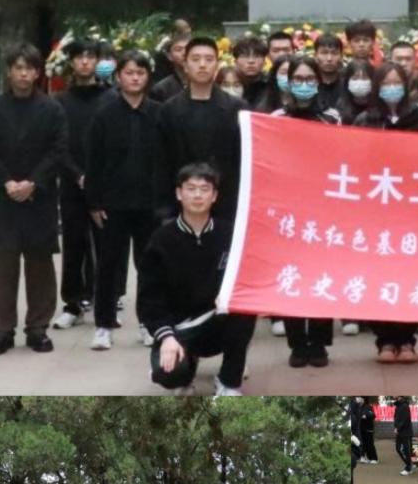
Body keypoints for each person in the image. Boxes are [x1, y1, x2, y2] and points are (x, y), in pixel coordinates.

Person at [0, 43, 68, 356]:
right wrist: (6, 182)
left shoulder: (52, 110)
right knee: (2, 264)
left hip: (39, 198)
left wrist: (34, 183)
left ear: (38, 73)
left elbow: (58, 150)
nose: (24, 74)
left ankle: (38, 328)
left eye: (29, 68)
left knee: (40, 263)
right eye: (18, 68)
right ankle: (2, 329)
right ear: (9, 72)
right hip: (2, 199)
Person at [139, 162, 255, 396]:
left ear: (214, 196)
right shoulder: (162, 240)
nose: (198, 195)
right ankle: (185, 363)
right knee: (169, 375)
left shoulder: (230, 234)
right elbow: (149, 299)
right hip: (180, 327)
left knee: (245, 309)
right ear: (179, 193)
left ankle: (229, 380)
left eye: (204, 189)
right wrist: (166, 337)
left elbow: (247, 280)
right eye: (191, 189)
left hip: (217, 322)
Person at [85, 48, 162, 352]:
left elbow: (167, 160)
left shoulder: (159, 113)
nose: (134, 78)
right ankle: (104, 325)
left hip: (149, 204)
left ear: (148, 77)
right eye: (129, 73)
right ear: (118, 77)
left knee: (149, 266)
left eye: (140, 73)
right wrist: (93, 202)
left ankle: (148, 323)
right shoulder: (104, 115)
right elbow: (93, 161)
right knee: (108, 266)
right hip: (112, 204)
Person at [274, 55, 341, 368]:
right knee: (291, 276)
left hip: (323, 207)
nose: (303, 84)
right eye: (297, 79)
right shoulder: (276, 118)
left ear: (318, 81)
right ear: (288, 83)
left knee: (321, 275)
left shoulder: (331, 118)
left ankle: (319, 342)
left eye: (309, 79)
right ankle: (297, 343)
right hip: (288, 208)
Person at [356, 64, 418, 362]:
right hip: (376, 207)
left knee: (411, 273)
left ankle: (407, 338)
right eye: (386, 83)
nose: (392, 88)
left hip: (412, 207)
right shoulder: (365, 120)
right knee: (379, 273)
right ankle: (384, 339)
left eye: (397, 83)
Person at [54, 38, 110, 329]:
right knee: (74, 243)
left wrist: (97, 176)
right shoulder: (60, 101)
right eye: (79, 57)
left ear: (98, 61)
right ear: (72, 62)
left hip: (104, 183)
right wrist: (77, 174)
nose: (85, 62)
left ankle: (106, 301)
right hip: (72, 182)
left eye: (90, 56)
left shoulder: (111, 98)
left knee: (107, 244)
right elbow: (57, 145)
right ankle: (73, 303)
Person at [158, 37, 243, 221]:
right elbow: (162, 163)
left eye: (209, 59)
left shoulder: (237, 108)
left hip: (226, 203)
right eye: (196, 59)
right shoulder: (169, 110)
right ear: (185, 65)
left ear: (217, 65)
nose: (202, 65)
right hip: (180, 204)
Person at [314, 32, 348, 114]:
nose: (329, 58)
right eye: (324, 53)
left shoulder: (347, 85)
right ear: (315, 55)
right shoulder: (309, 85)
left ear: (341, 56)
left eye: (334, 53)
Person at [233, 36, 270, 109]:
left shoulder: (272, 85)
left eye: (257, 56)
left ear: (264, 61)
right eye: (245, 56)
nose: (251, 61)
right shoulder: (227, 84)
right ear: (235, 62)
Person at [340, 57, 374, 124]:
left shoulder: (378, 107)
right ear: (348, 81)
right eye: (355, 78)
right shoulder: (339, 107)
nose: (360, 82)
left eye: (364, 78)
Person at [393, 395, 414, 474]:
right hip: (399, 431)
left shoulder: (405, 406)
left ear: (400, 397)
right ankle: (409, 464)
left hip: (406, 432)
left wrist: (397, 428)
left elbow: (404, 419)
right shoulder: (398, 406)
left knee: (406, 450)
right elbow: (396, 418)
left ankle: (408, 468)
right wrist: (396, 427)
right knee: (398, 449)